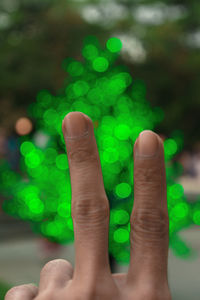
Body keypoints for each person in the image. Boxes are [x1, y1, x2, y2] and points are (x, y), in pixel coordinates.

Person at [5, 111, 171, 299]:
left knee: (106, 241)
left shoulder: (115, 149)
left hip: (115, 208)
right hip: (110, 208)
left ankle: (106, 272)